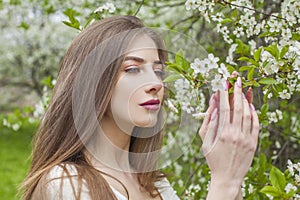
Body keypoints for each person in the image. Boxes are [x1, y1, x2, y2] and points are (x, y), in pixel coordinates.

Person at [20, 15, 259, 200]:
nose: (156, 83)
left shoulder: (157, 186)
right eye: (133, 69)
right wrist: (223, 181)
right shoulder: (65, 183)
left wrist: (232, 173)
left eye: (158, 71)